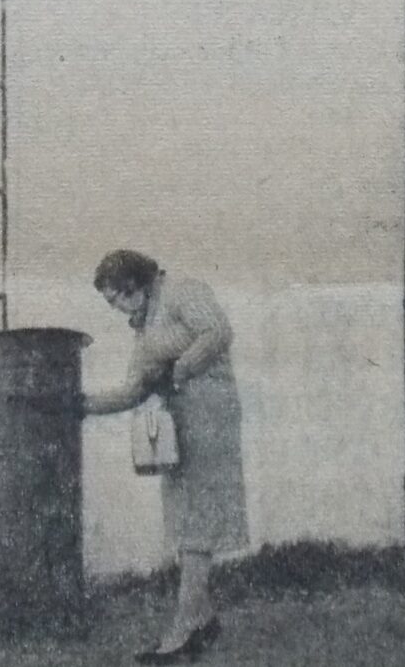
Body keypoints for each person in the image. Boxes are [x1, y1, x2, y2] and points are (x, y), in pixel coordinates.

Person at [85, 250, 249, 664]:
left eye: (119, 297)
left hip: (210, 416)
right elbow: (132, 391)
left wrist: (177, 371)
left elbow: (218, 333)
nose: (118, 307)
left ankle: (179, 633)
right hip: (177, 428)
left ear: (136, 283)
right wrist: (81, 405)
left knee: (198, 521)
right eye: (112, 302)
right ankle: (204, 619)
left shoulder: (182, 292)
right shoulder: (143, 329)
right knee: (184, 518)